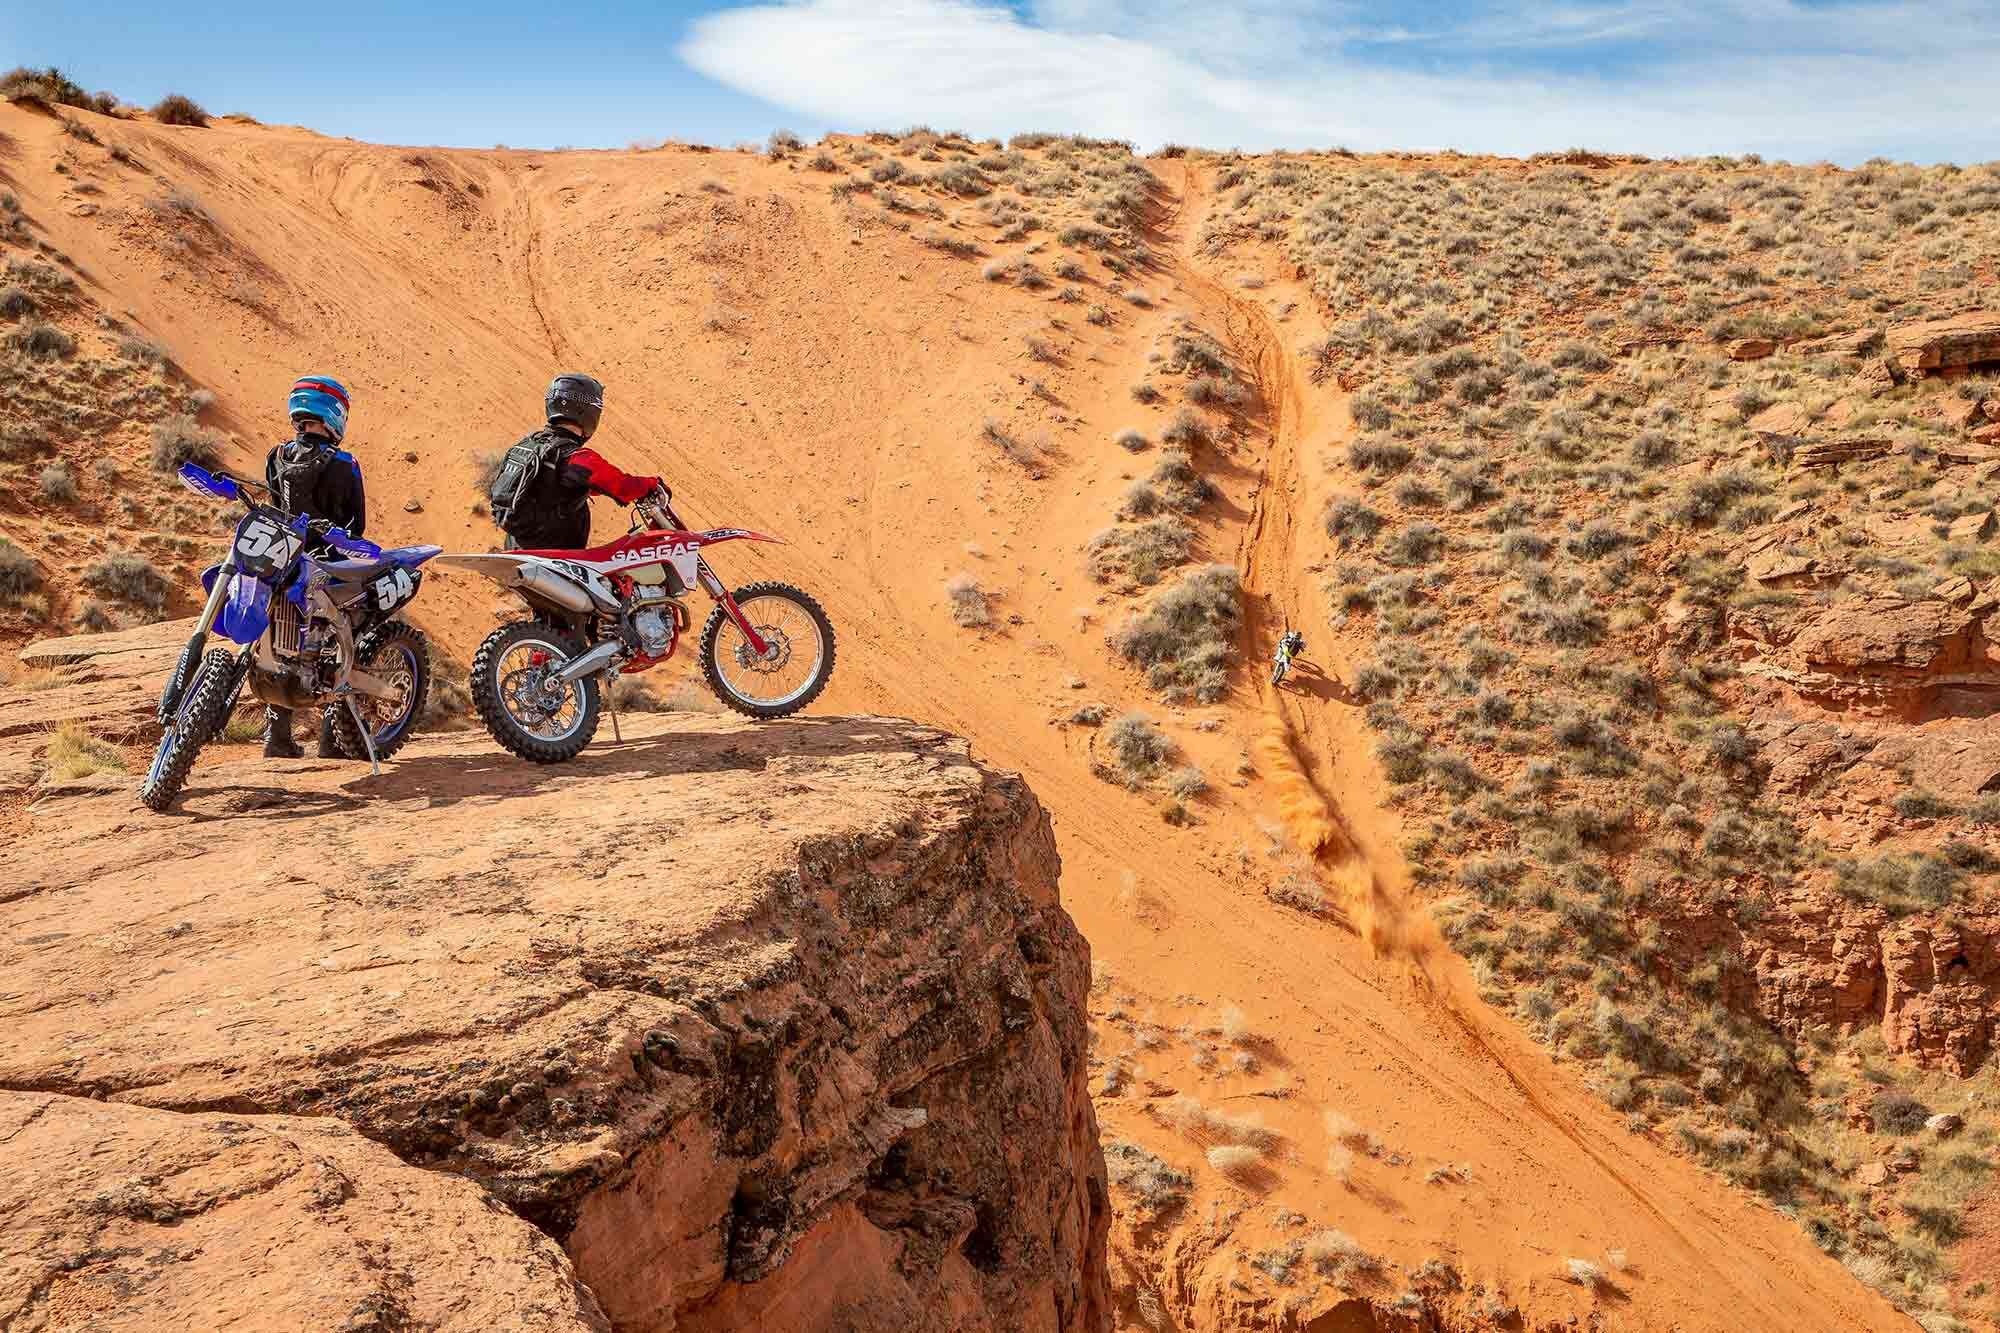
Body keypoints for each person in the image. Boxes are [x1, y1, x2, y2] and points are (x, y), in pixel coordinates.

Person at [262, 374, 366, 760]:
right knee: (341, 644)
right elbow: (357, 524)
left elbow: (275, 503)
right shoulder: (345, 462)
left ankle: (277, 738)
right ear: (335, 413)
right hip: (327, 566)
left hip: (281, 560)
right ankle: (331, 738)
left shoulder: (277, 455)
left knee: (279, 644)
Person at [486, 374, 665, 551]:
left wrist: (590, 489)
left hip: (518, 550)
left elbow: (547, 489)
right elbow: (623, 486)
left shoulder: (528, 445)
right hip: (558, 556)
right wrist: (651, 484)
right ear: (587, 411)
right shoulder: (576, 456)